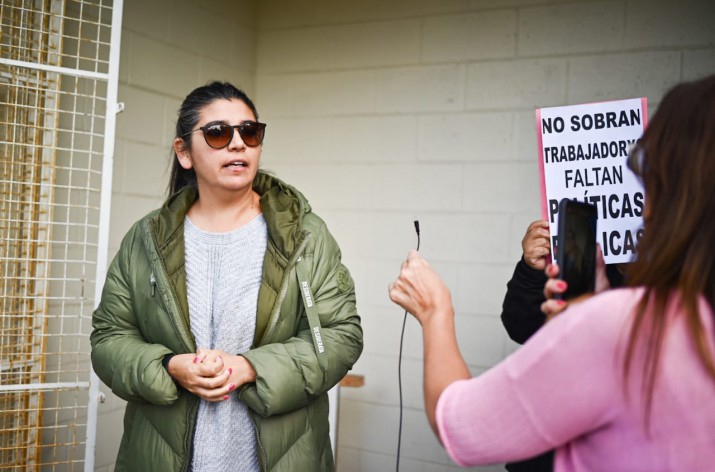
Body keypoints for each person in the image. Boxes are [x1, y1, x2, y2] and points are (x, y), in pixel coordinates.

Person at [388, 74, 715, 471]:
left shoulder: (625, 325)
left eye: (648, 176)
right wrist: (575, 306)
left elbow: (459, 426)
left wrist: (435, 311)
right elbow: (520, 321)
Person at [91, 82, 363, 472]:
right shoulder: (144, 239)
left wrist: (252, 368)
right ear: (184, 152)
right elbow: (108, 339)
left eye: (249, 132)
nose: (238, 144)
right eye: (218, 133)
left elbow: (339, 336)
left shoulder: (306, 235)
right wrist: (169, 365)